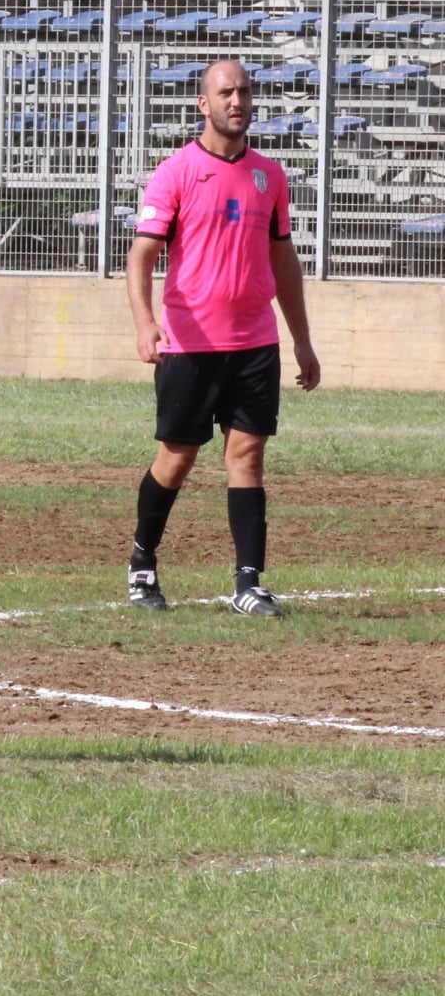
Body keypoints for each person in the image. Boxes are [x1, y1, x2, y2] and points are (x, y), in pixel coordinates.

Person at [125, 58, 321, 617]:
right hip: (190, 344)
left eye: (245, 92)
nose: (238, 101)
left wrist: (301, 341)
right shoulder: (175, 173)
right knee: (177, 457)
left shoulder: (270, 177)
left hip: (255, 341)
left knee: (249, 455)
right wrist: (145, 324)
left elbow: (283, 262)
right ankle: (142, 562)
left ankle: (248, 582)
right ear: (203, 105)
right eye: (226, 93)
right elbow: (141, 257)